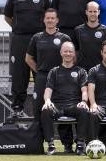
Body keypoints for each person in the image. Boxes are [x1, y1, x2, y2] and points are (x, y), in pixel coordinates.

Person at [4, 0, 50, 117]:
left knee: (40, 74)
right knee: (19, 75)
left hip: (40, 41)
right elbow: (7, 17)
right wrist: (19, 29)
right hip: (20, 40)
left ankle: (43, 107)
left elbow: (50, 16)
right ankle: (17, 109)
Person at [25, 9, 72, 149]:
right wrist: (39, 72)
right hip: (42, 77)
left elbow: (71, 56)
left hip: (62, 77)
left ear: (57, 20)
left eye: (53, 18)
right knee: (40, 109)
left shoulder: (64, 38)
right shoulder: (37, 37)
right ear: (44, 20)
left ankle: (67, 144)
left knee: (64, 109)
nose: (50, 20)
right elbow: (28, 58)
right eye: (48, 18)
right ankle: (40, 142)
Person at [40, 42, 90, 155]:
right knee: (46, 110)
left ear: (74, 54)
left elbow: (84, 90)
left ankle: (80, 145)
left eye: (70, 51)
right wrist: (47, 101)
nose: (68, 53)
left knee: (83, 110)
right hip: (57, 106)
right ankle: (51, 145)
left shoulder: (81, 71)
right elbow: (48, 90)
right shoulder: (54, 71)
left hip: (74, 105)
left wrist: (83, 101)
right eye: (65, 51)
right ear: (61, 53)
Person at [73, 1, 106, 71]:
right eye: (90, 11)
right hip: (82, 70)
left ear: (99, 12)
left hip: (101, 70)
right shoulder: (78, 30)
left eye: (95, 11)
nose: (92, 14)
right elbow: (75, 52)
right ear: (86, 12)